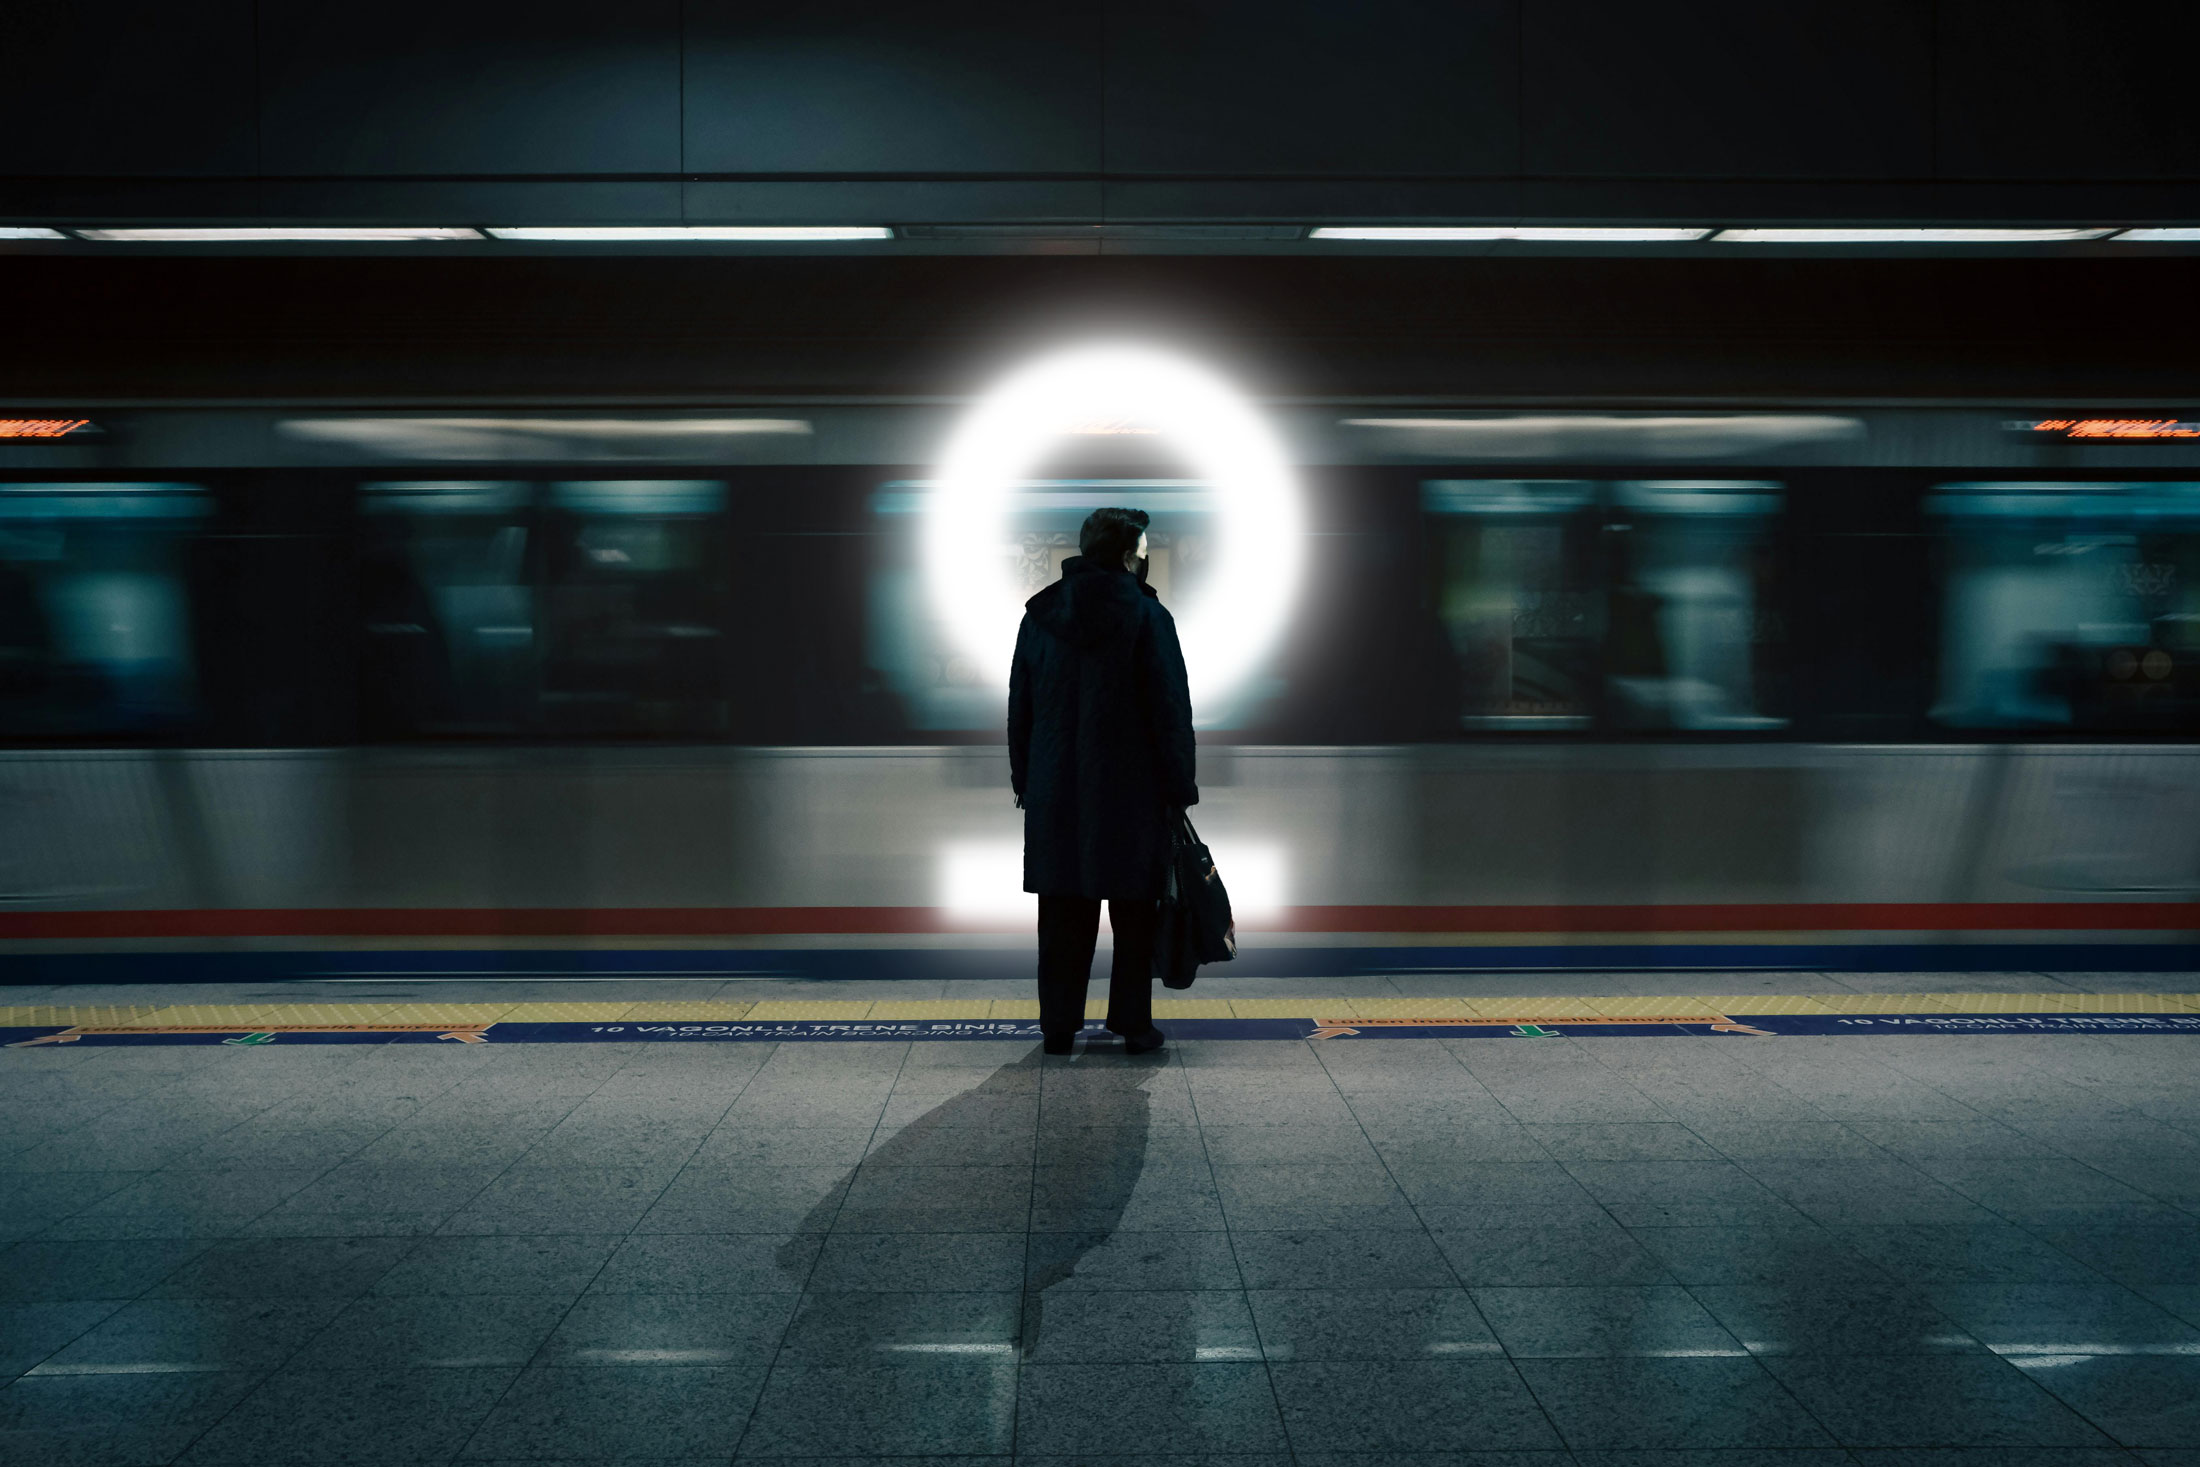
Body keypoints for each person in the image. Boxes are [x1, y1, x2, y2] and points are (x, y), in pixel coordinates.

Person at [1008, 506, 1197, 1056]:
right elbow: (1170, 711)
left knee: (1061, 914)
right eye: (1142, 549)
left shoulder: (1040, 616)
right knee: (1135, 913)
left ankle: (1058, 1027)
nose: (1145, 557)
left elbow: (1021, 707)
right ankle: (1133, 1025)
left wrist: (1027, 780)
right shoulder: (1149, 616)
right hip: (1132, 794)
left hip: (1056, 791)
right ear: (1126, 554)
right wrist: (1179, 787)